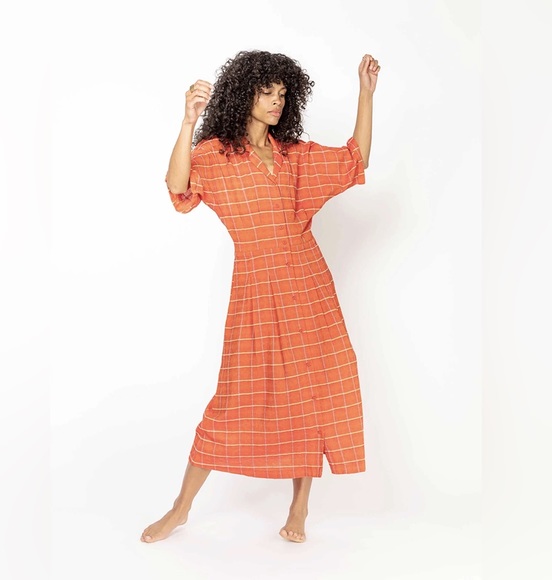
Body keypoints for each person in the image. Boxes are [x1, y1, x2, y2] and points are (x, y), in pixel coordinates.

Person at [141, 49, 380, 544]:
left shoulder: (293, 155)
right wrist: (187, 122)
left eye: (283, 93)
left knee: (309, 390)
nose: (277, 101)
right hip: (255, 287)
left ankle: (299, 508)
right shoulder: (215, 154)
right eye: (266, 91)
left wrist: (366, 94)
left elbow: (355, 158)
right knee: (233, 398)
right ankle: (180, 508)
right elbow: (178, 187)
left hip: (308, 285)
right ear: (242, 94)